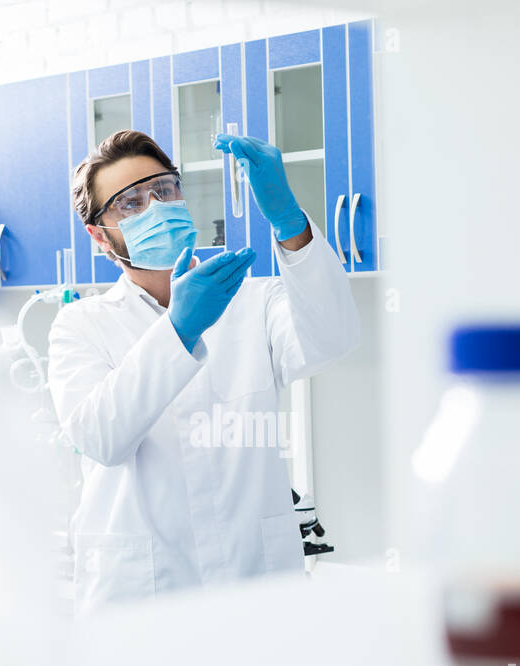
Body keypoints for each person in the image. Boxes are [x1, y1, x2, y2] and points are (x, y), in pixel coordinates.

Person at [48, 129, 359, 614]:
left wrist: (289, 222)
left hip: (256, 593)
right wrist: (179, 328)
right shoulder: (81, 325)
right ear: (99, 236)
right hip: (143, 604)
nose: (155, 207)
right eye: (129, 205)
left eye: (164, 189)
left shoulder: (254, 299)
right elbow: (100, 436)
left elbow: (332, 338)